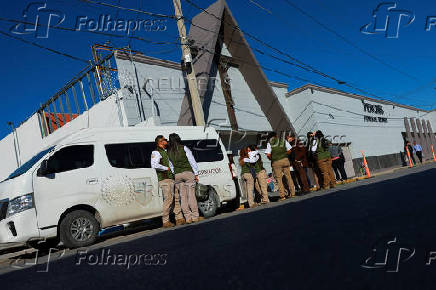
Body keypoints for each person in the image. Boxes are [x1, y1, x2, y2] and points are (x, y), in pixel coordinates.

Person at [167, 133, 202, 224]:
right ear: (178, 139)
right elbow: (192, 161)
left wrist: (176, 173)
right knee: (191, 195)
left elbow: (171, 166)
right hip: (187, 172)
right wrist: (196, 173)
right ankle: (195, 216)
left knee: (183, 197)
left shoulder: (169, 151)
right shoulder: (184, 148)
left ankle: (187, 218)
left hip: (177, 175)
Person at [151, 135, 184, 228]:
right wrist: (166, 168)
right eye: (165, 140)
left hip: (172, 178)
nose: (167, 141)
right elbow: (154, 164)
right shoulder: (156, 152)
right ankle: (165, 221)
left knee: (176, 198)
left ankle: (179, 218)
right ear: (160, 142)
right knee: (169, 200)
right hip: (165, 179)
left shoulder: (166, 151)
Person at [265, 132, 295, 200]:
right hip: (285, 160)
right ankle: (293, 193)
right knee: (288, 177)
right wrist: (284, 155)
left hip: (276, 162)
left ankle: (282, 196)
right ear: (276, 136)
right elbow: (290, 150)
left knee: (279, 179)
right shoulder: (283, 141)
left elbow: (268, 155)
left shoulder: (269, 143)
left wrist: (273, 158)